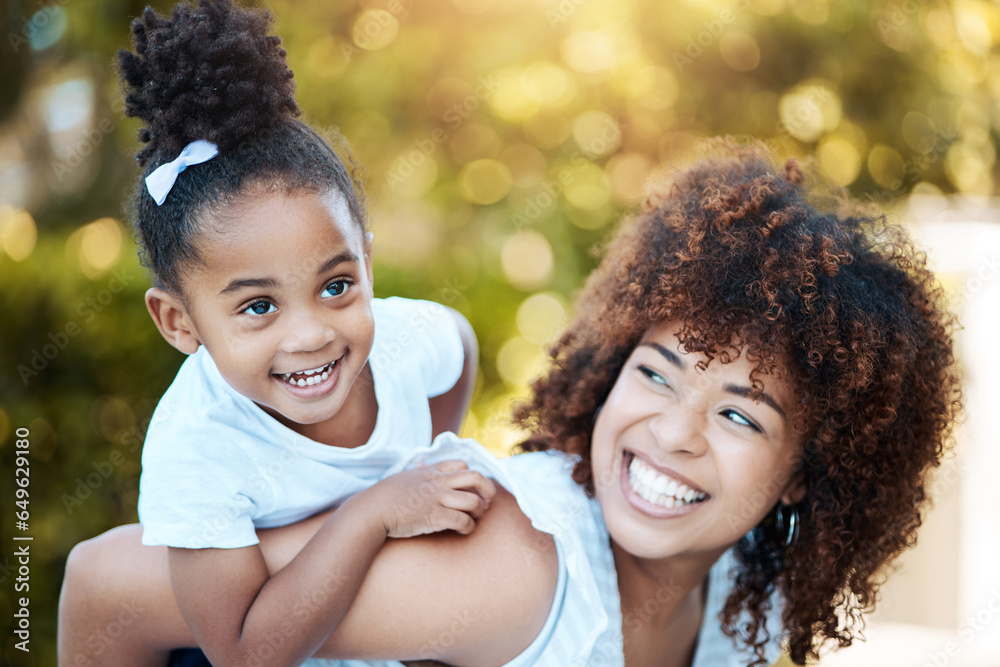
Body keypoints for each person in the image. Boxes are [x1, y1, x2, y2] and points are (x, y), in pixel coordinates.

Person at [60, 139, 961, 666]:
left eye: (739, 413)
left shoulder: (743, 599)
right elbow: (103, 586)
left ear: (806, 473)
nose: (674, 433)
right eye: (655, 372)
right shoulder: (512, 564)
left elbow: (446, 351)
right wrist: (384, 501)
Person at [56, 1, 510, 666]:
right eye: (258, 307)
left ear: (368, 264)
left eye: (335, 286)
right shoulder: (198, 443)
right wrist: (375, 511)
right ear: (180, 323)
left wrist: (430, 453)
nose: (309, 335)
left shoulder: (405, 338)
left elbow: (459, 344)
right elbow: (242, 649)